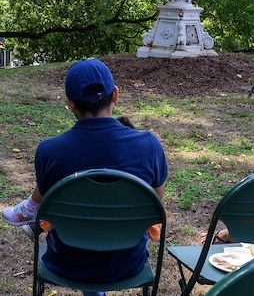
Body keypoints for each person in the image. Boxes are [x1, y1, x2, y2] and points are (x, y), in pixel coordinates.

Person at [1, 59, 168, 296]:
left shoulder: (49, 151)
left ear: (70, 104)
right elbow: (155, 205)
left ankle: (27, 212)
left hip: (67, 263)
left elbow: (49, 209)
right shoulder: (150, 146)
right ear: (116, 95)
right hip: (128, 264)